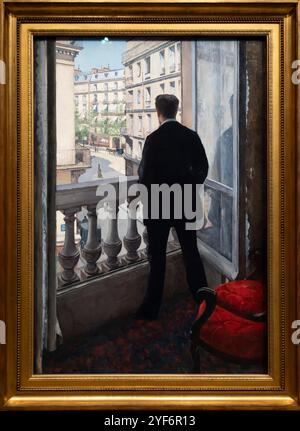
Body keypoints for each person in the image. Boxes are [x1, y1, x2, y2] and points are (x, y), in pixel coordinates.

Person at [134, 94, 215, 320]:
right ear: (176, 110)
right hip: (185, 203)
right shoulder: (190, 136)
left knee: (157, 258)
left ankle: (151, 309)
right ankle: (203, 300)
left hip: (159, 205)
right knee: (191, 253)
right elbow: (203, 168)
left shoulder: (153, 139)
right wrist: (188, 186)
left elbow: (145, 176)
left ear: (158, 112)